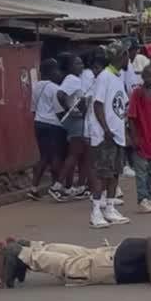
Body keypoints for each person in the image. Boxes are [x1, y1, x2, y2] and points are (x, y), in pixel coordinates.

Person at [0, 230, 151, 291]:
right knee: (75, 269)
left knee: (83, 255)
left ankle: (32, 248)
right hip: (123, 265)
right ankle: (21, 255)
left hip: (124, 250)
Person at [87, 50, 131, 228]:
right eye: (126, 56)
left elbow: (122, 104)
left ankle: (110, 208)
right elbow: (98, 104)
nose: (128, 59)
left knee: (114, 173)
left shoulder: (117, 77)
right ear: (119, 57)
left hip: (117, 134)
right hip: (105, 135)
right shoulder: (104, 77)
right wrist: (105, 129)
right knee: (102, 174)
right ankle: (96, 212)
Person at [29, 59, 68, 200]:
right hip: (54, 126)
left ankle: (33, 188)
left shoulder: (36, 87)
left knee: (44, 156)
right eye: (57, 70)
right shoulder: (55, 88)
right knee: (56, 156)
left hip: (39, 123)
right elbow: (59, 112)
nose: (59, 73)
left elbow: (33, 109)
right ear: (51, 71)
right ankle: (56, 188)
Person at [126, 64, 151, 212]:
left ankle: (149, 198)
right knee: (141, 171)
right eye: (149, 76)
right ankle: (142, 200)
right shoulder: (138, 93)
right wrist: (134, 136)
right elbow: (131, 116)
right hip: (141, 137)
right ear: (143, 76)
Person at [56, 53, 91, 198]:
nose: (81, 66)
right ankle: (57, 185)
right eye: (77, 63)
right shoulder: (72, 79)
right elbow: (60, 94)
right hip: (76, 121)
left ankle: (80, 186)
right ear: (70, 67)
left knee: (83, 154)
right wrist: (69, 109)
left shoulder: (77, 79)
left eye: (81, 63)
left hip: (80, 120)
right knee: (75, 154)